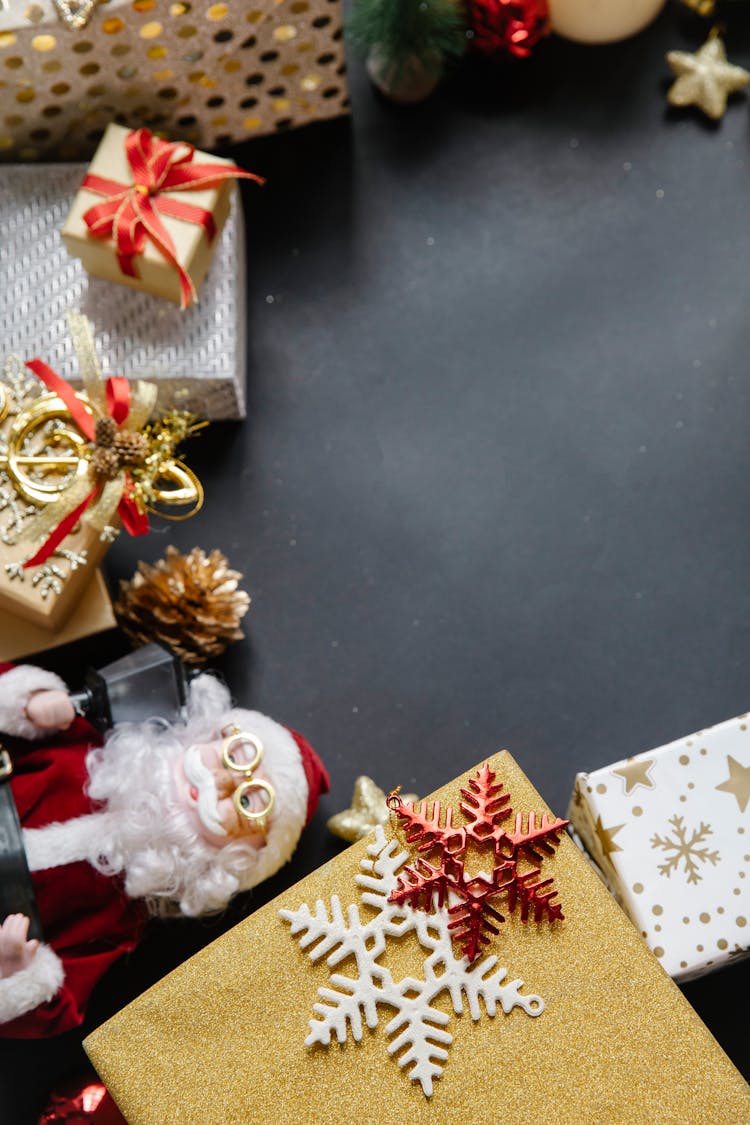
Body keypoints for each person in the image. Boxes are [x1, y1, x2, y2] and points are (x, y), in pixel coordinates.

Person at [0, 661, 328, 1038]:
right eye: (237, 755)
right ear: (208, 735)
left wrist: (16, 974)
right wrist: (29, 704)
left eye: (250, 802)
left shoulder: (117, 917)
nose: (221, 782)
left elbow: (60, 1002)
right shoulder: (77, 749)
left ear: (239, 858)